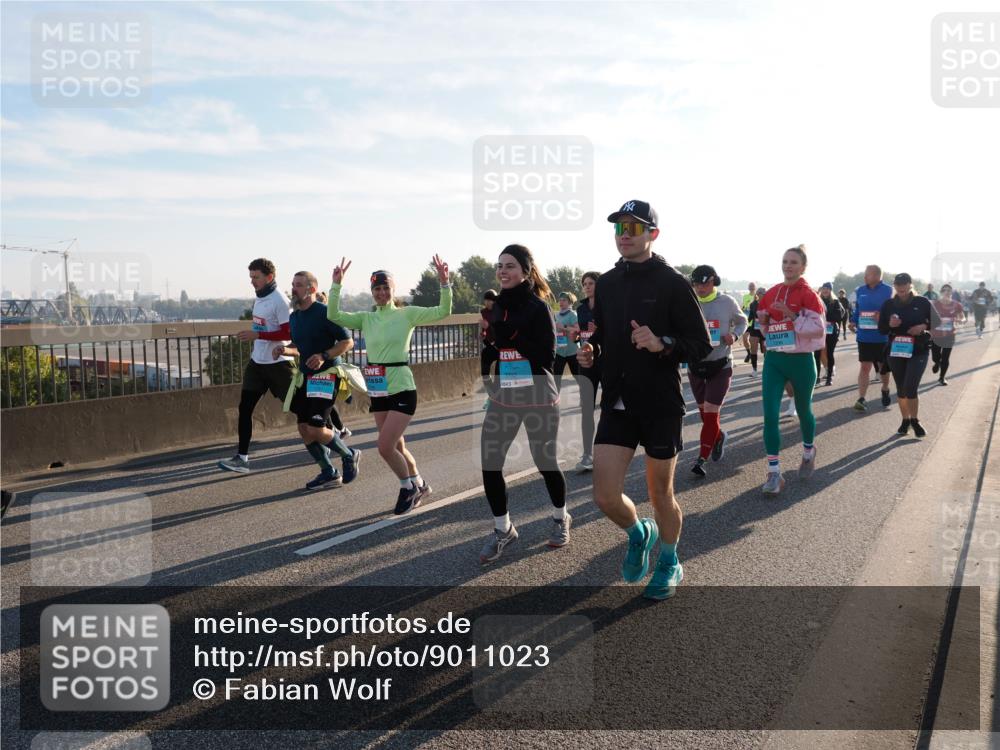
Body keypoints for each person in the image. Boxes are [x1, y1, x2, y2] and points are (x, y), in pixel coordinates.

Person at [577, 199, 712, 600]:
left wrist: (662, 342)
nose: (624, 235)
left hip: (659, 404)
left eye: (634, 228)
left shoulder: (672, 283)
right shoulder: (607, 283)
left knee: (659, 495)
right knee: (603, 495)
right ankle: (639, 533)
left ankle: (670, 560)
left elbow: (700, 345)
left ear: (653, 234)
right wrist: (592, 355)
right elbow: (603, 338)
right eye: (619, 228)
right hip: (618, 400)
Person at [328, 255, 452, 515]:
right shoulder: (366, 319)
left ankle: (407, 488)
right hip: (378, 387)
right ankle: (420, 483)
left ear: (393, 290)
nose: (382, 293)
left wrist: (444, 283)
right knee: (397, 446)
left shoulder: (407, 314)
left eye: (386, 288)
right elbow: (334, 314)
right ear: (372, 292)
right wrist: (336, 285)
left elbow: (443, 311)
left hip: (402, 386)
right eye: (377, 289)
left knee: (384, 446)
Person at [478, 245, 569, 563]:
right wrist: (488, 361)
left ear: (526, 271)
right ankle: (503, 529)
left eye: (510, 266)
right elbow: (493, 350)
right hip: (505, 396)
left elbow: (547, 357)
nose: (503, 271)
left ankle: (560, 517)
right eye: (500, 265)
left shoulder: (537, 307)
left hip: (538, 395)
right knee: (490, 462)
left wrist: (512, 335)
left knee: (545, 462)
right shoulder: (495, 307)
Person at [275, 271, 360, 489]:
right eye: (293, 284)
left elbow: (348, 342)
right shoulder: (294, 317)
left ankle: (349, 454)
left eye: (299, 285)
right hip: (305, 377)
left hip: (327, 376)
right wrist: (284, 349)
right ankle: (328, 472)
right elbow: (299, 347)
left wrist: (324, 356)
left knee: (315, 427)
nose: (294, 289)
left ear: (312, 289)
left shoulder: (324, 312)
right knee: (304, 429)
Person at [756, 245, 826, 495]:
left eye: (793, 262)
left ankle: (808, 451)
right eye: (785, 261)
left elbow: (818, 329)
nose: (788, 266)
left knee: (804, 408)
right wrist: (764, 323)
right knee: (770, 414)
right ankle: (774, 473)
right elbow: (762, 326)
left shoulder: (809, 295)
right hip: (775, 360)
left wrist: (792, 315)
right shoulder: (772, 292)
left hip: (801, 361)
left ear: (803, 267)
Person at [218, 258, 295, 474]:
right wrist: (256, 335)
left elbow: (288, 333)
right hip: (257, 362)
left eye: (256, 277)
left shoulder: (280, 300)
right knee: (245, 408)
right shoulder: (260, 298)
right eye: (251, 277)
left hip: (278, 363)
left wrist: (258, 334)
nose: (252, 281)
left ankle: (335, 441)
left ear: (269, 277)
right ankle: (242, 458)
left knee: (301, 408)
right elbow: (261, 325)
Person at [687, 265, 747, 478]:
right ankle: (719, 436)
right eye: (697, 284)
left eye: (705, 283)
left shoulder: (727, 302)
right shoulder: (688, 302)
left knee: (711, 411)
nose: (701, 288)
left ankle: (701, 459)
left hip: (721, 364)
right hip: (695, 367)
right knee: (705, 414)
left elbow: (742, 321)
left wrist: (735, 335)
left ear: (714, 282)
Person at [879, 273, 932, 437]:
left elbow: (936, 323)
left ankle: (915, 420)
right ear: (894, 286)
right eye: (898, 288)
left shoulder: (922, 302)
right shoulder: (888, 304)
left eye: (904, 288)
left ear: (910, 285)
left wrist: (922, 326)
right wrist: (890, 324)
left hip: (918, 349)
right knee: (901, 388)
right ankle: (905, 420)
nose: (901, 292)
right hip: (897, 350)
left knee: (911, 387)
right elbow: (881, 329)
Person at [849, 265, 893, 412]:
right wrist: (853, 321)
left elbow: (894, 310)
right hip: (864, 336)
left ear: (876, 276)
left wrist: (883, 317)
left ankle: (885, 388)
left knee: (882, 367)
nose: (864, 277)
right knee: (865, 367)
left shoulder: (888, 290)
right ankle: (861, 398)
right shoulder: (860, 290)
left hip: (882, 337)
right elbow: (858, 310)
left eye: (867, 274)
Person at [571, 271, 601, 472]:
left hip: (606, 360)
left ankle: (607, 450)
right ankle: (587, 454)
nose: (587, 286)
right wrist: (575, 335)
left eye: (591, 283)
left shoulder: (608, 306)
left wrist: (599, 329)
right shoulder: (581, 308)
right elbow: (579, 335)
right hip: (586, 361)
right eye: (585, 283)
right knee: (586, 409)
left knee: (610, 407)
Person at [930, 284, 965, 386]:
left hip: (950, 334)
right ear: (941, 292)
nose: (947, 292)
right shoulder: (934, 304)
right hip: (936, 335)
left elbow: (963, 317)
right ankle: (937, 362)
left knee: (945, 357)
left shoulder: (957, 305)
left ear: (951, 292)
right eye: (944, 290)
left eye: (949, 290)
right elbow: (928, 317)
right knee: (935, 357)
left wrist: (961, 320)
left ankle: (942, 377)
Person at [815, 282, 846, 386]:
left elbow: (840, 315)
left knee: (829, 354)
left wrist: (826, 318)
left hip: (831, 331)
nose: (825, 290)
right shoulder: (816, 301)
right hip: (818, 331)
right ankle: (817, 377)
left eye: (827, 288)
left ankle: (829, 377)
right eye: (824, 288)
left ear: (830, 290)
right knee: (817, 354)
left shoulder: (836, 302)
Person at [553, 292, 580, 391]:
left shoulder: (573, 314)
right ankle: (555, 401)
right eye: (560, 300)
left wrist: (564, 327)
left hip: (572, 351)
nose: (561, 302)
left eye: (564, 300)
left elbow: (577, 330)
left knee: (578, 377)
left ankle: (584, 397)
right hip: (559, 351)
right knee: (556, 378)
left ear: (570, 302)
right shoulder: (556, 315)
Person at [746, 287, 767, 376]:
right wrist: (745, 323)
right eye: (761, 293)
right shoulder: (753, 304)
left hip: (765, 329)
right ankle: (754, 370)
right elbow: (750, 316)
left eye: (764, 294)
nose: (763, 295)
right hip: (755, 328)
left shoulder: (768, 303)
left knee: (765, 350)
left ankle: (766, 369)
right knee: (753, 349)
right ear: (758, 294)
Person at [741, 282, 757, 361]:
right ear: (748, 288)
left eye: (752, 286)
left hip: (755, 322)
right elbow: (743, 308)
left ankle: (754, 355)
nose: (751, 288)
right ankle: (749, 354)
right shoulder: (745, 297)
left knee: (753, 340)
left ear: (755, 288)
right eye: (750, 286)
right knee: (744, 339)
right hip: (747, 322)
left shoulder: (757, 297)